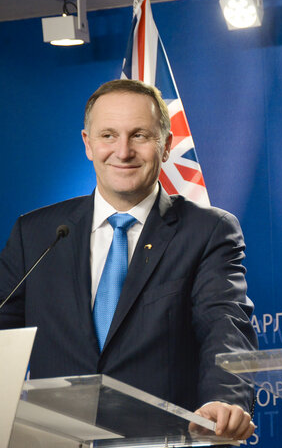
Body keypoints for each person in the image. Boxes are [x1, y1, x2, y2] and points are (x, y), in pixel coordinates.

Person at [0, 79, 257, 440]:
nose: (122, 151)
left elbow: (225, 327)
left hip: (163, 441)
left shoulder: (208, 231)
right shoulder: (37, 234)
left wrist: (223, 400)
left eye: (139, 135)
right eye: (108, 135)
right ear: (88, 144)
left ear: (166, 146)